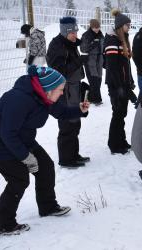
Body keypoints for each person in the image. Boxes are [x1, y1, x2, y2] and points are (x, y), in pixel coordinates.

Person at [0, 66, 89, 235]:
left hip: (21, 138)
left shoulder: (43, 97)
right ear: (49, 89)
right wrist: (25, 157)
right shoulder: (19, 99)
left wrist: (79, 109)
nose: (61, 93)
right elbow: (7, 133)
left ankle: (48, 207)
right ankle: (3, 224)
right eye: (60, 90)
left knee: (45, 166)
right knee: (19, 179)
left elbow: (60, 112)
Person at [47, 16, 90, 168]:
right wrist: (80, 61)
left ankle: (73, 154)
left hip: (74, 88)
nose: (75, 35)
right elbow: (59, 72)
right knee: (67, 125)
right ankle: (66, 159)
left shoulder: (71, 44)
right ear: (65, 31)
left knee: (76, 122)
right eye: (72, 32)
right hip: (63, 91)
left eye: (76, 31)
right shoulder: (57, 46)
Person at [104, 9, 137, 154]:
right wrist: (119, 87)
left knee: (121, 113)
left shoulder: (121, 40)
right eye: (127, 25)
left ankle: (121, 140)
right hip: (116, 85)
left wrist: (129, 82)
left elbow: (125, 66)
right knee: (117, 113)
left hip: (122, 84)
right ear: (120, 26)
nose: (129, 27)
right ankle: (114, 144)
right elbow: (112, 68)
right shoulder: (112, 41)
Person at [80, 19, 104, 105]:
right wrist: (92, 44)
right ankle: (97, 100)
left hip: (99, 60)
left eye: (98, 27)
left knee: (99, 80)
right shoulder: (86, 35)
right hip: (90, 60)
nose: (97, 29)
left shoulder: (101, 35)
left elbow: (103, 47)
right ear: (91, 27)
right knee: (94, 80)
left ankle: (90, 96)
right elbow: (82, 49)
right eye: (95, 28)